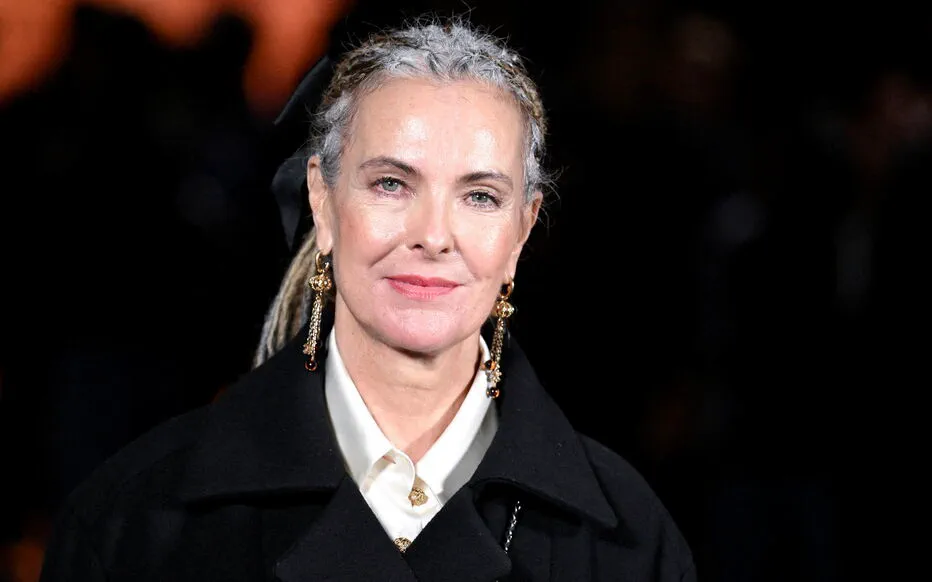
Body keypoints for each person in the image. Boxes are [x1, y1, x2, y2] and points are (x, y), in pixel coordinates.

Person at [38, 16, 696, 581]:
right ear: (322, 201)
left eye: (480, 196)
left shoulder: (630, 540)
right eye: (391, 184)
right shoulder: (134, 520)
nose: (434, 235)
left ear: (521, 231)